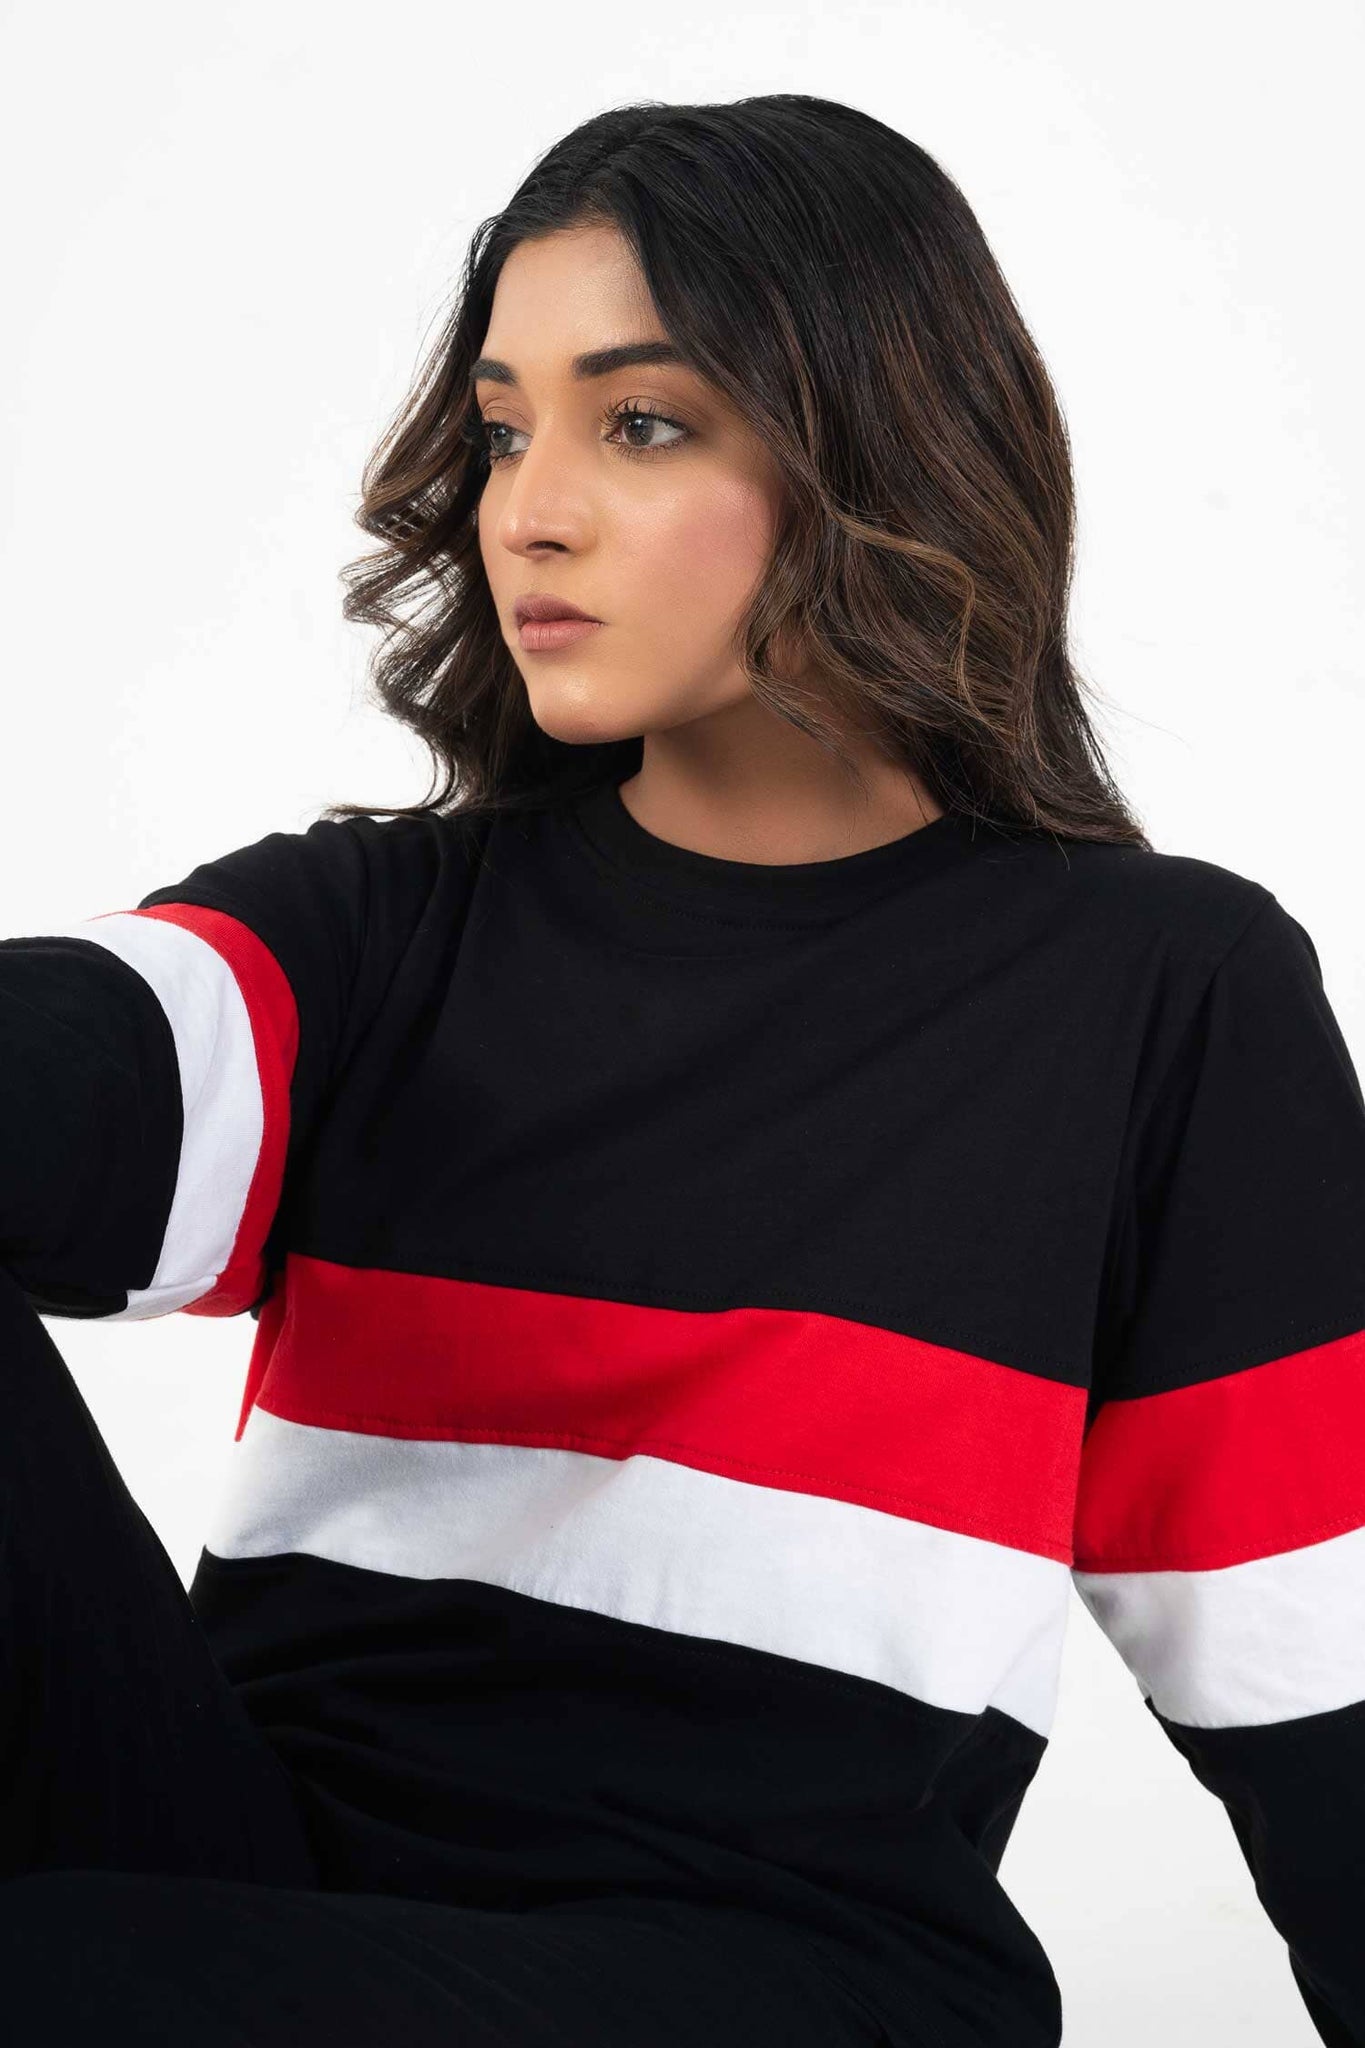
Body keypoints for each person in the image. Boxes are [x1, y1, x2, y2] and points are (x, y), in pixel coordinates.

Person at [2, 90, 1362, 2048]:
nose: (524, 510)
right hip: (268, 1903)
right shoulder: (383, 930)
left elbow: (1319, 1691)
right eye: (501, 429)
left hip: (772, 1976)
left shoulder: (1153, 994)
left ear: (869, 450)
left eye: (638, 423)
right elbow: (92, 1048)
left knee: (66, 1975)